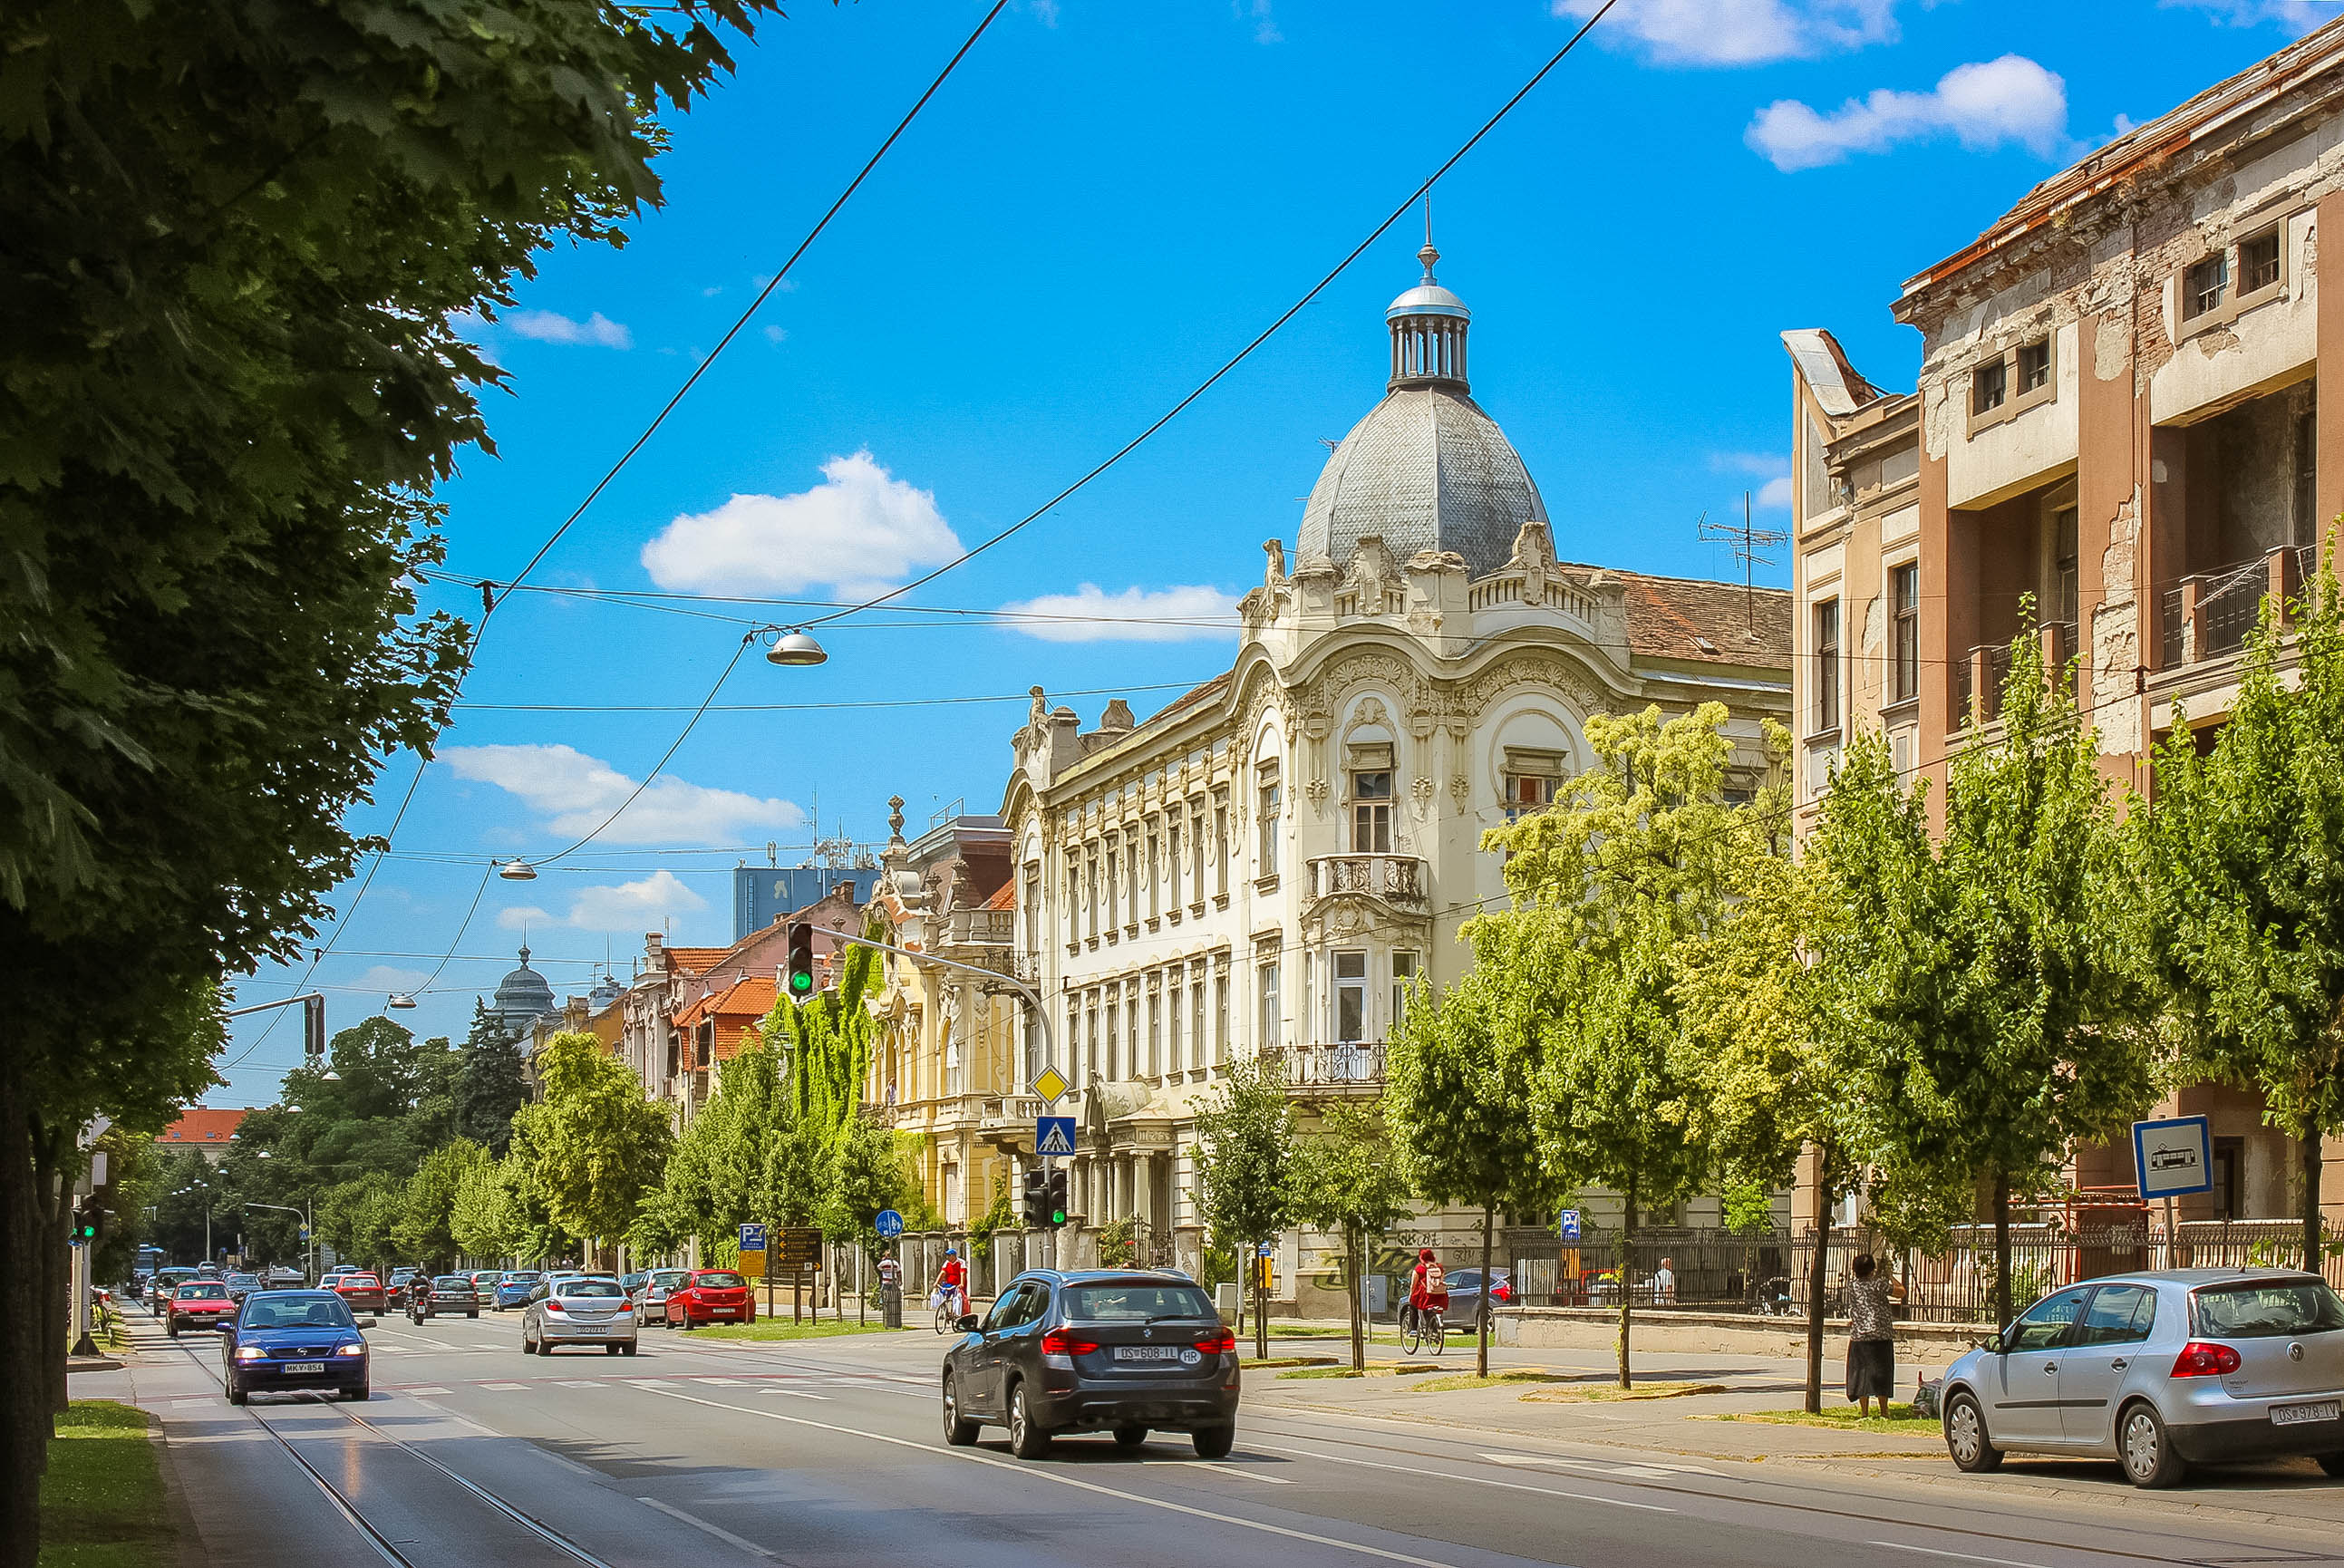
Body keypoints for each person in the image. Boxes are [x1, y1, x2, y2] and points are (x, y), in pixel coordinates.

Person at [1843, 1253, 1904, 1417]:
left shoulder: (1852, 1286)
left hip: (1860, 1335)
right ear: (1872, 1269)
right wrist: (1890, 1276)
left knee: (1862, 1373)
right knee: (1882, 1373)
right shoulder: (1879, 1284)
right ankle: (1884, 1411)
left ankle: (1864, 1412)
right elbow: (1901, 1292)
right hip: (1881, 1335)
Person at [1405, 1247, 1448, 1335]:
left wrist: (1411, 1294)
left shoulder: (1419, 1269)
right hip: (1440, 1295)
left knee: (1413, 1304)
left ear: (1421, 1258)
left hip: (1425, 1295)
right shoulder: (1439, 1267)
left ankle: (1413, 1329)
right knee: (1431, 1311)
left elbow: (1413, 1285)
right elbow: (1442, 1279)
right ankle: (1434, 1330)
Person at [933, 1247, 966, 1317]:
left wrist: (962, 1284)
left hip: (958, 1284)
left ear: (953, 1256)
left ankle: (956, 1313)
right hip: (949, 1283)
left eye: (949, 1255)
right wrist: (937, 1282)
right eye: (947, 1255)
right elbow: (942, 1272)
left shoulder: (961, 1262)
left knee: (956, 1298)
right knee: (942, 1295)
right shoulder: (947, 1263)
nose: (947, 1257)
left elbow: (962, 1274)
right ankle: (944, 1311)